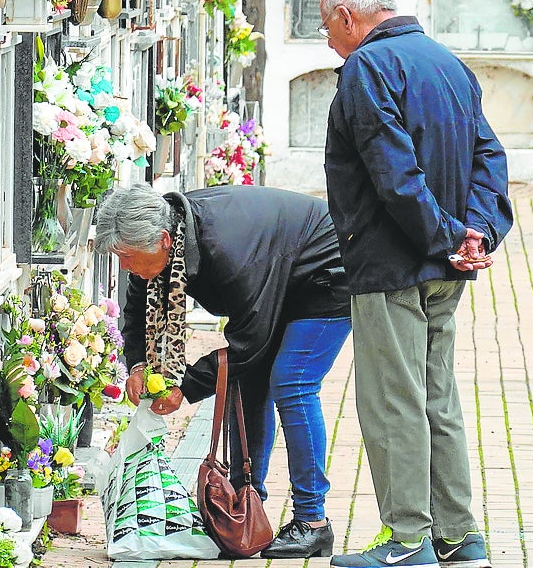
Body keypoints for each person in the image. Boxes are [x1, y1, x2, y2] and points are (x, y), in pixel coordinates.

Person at [319, 0, 514, 568]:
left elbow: (393, 173)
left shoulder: (366, 70)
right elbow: (489, 156)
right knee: (438, 397)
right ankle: (458, 535)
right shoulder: (447, 62)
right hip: (445, 266)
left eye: (327, 27)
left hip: (392, 261)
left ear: (350, 18)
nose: (328, 41)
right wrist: (476, 233)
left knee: (393, 401)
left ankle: (406, 540)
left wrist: (448, 237)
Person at [96, 183, 352, 560]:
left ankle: (312, 523)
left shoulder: (225, 248)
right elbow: (135, 310)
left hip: (327, 270)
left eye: (126, 255)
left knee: (291, 382)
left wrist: (186, 388)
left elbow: (249, 339)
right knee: (247, 381)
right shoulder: (162, 237)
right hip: (277, 271)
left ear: (164, 241)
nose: (124, 265)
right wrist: (136, 365)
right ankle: (245, 505)